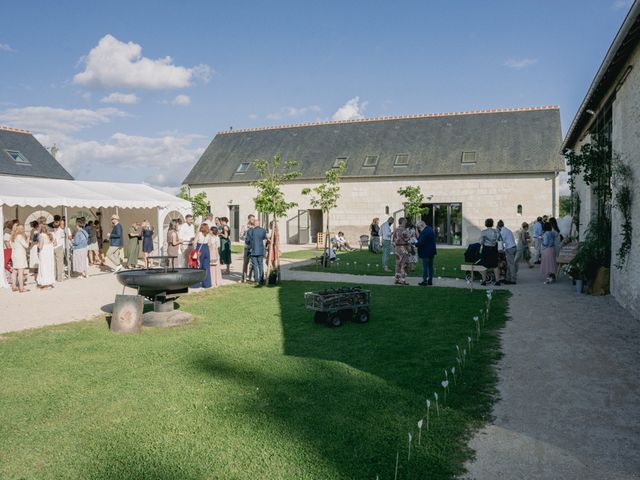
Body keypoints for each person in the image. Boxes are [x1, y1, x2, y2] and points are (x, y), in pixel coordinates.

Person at [479, 218, 502, 286]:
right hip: (494, 249)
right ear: (492, 224)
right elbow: (499, 238)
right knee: (495, 265)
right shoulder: (496, 231)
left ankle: (484, 281)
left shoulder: (483, 232)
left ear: (486, 224)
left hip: (486, 249)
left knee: (484, 265)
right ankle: (497, 281)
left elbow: (481, 242)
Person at [246, 218, 267, 285]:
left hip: (253, 250)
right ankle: (261, 279)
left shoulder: (250, 231)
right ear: (259, 224)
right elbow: (264, 238)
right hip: (260, 250)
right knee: (261, 265)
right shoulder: (263, 230)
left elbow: (247, 241)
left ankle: (256, 280)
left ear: (254, 224)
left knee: (255, 265)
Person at [10, 223, 29, 292]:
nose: (23, 230)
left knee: (14, 271)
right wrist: (28, 238)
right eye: (21, 228)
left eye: (23, 228)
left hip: (14, 255)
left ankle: (14, 286)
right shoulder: (20, 237)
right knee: (21, 272)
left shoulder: (12, 237)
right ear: (18, 229)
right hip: (20, 255)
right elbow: (26, 246)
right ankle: (21, 288)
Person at [416, 220, 436, 286]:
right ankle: (430, 280)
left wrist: (415, 244)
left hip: (425, 251)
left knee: (425, 267)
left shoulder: (424, 231)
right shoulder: (430, 229)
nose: (419, 229)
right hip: (431, 251)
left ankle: (424, 281)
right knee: (430, 267)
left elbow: (421, 242)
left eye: (419, 227)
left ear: (422, 225)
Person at [392, 217, 411, 285]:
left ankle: (396, 279)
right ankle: (402, 280)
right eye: (405, 222)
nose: (406, 223)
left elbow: (393, 240)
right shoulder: (404, 230)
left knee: (398, 264)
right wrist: (410, 235)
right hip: (403, 248)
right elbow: (407, 239)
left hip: (397, 248)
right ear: (403, 222)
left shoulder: (396, 229)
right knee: (404, 264)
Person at [497, 220, 517, 284]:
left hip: (510, 248)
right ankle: (508, 278)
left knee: (511, 265)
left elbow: (501, 242)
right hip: (512, 247)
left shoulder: (503, 232)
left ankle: (513, 280)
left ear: (498, 226)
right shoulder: (507, 230)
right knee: (508, 264)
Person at [194, 224, 211, 288]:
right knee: (206, 267)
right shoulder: (208, 234)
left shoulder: (199, 233)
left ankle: (196, 284)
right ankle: (207, 284)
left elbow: (194, 242)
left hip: (199, 249)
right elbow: (209, 244)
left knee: (197, 266)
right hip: (206, 249)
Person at [240, 214, 255, 282]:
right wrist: (246, 237)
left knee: (252, 263)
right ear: (249, 219)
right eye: (252, 219)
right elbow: (241, 236)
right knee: (245, 262)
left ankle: (250, 276)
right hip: (247, 246)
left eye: (254, 219)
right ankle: (244, 277)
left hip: (254, 247)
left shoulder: (255, 226)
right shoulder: (245, 226)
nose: (253, 220)